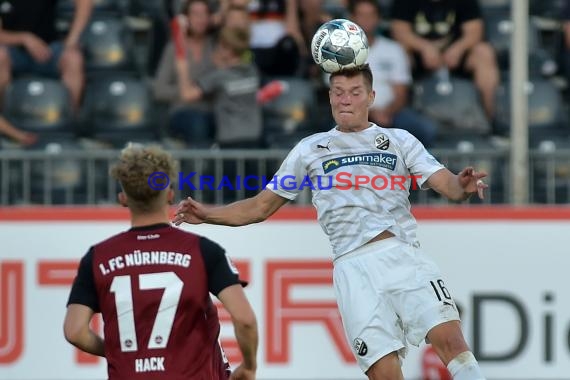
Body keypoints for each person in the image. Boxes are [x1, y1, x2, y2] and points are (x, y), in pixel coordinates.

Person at [174, 64, 488, 380]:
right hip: (352, 270)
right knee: (384, 373)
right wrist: (208, 215)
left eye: (354, 92)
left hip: (402, 254)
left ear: (371, 96)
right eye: (338, 92)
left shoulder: (399, 140)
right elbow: (259, 206)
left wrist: (461, 186)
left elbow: (446, 183)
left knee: (451, 341)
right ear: (329, 97)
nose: (345, 100)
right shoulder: (310, 149)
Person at [63, 143, 258, 380]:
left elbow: (74, 331)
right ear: (169, 194)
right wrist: (248, 367)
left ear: (123, 198)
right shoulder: (202, 251)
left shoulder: (98, 257)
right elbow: (245, 319)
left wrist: (120, 353)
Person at [390, 0, 498, 121]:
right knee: (398, 52)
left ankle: (491, 118)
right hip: (419, 56)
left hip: (457, 55)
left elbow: (475, 31)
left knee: (484, 52)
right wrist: (424, 48)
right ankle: (398, 118)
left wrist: (458, 49)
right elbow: (399, 32)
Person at [349, 0, 438, 147]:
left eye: (371, 15)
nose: (366, 20)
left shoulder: (394, 49)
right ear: (352, 18)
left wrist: (387, 112)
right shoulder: (340, 52)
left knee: (427, 130)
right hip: (352, 113)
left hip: (391, 113)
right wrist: (369, 113)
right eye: (361, 15)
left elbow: (401, 92)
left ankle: (412, 167)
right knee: (333, 134)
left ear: (378, 18)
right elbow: (338, 93)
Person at [173, 26, 262, 148]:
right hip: (254, 138)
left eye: (220, 46)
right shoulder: (253, 71)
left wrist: (182, 68)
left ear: (228, 50)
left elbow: (187, 95)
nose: (216, 49)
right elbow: (234, 71)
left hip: (230, 140)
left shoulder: (218, 77)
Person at [0, 0, 93, 112]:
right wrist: (24, 38)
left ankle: (70, 117)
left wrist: (72, 40)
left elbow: (84, 2)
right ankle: (3, 118)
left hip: (49, 48)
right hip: (12, 49)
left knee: (73, 58)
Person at [154, 0, 217, 147]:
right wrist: (186, 92)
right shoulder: (174, 48)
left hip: (213, 109)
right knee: (197, 124)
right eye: (195, 14)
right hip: (183, 110)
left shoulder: (215, 47)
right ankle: (199, 169)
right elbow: (159, 89)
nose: (200, 19)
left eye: (204, 14)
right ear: (186, 18)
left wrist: (198, 92)